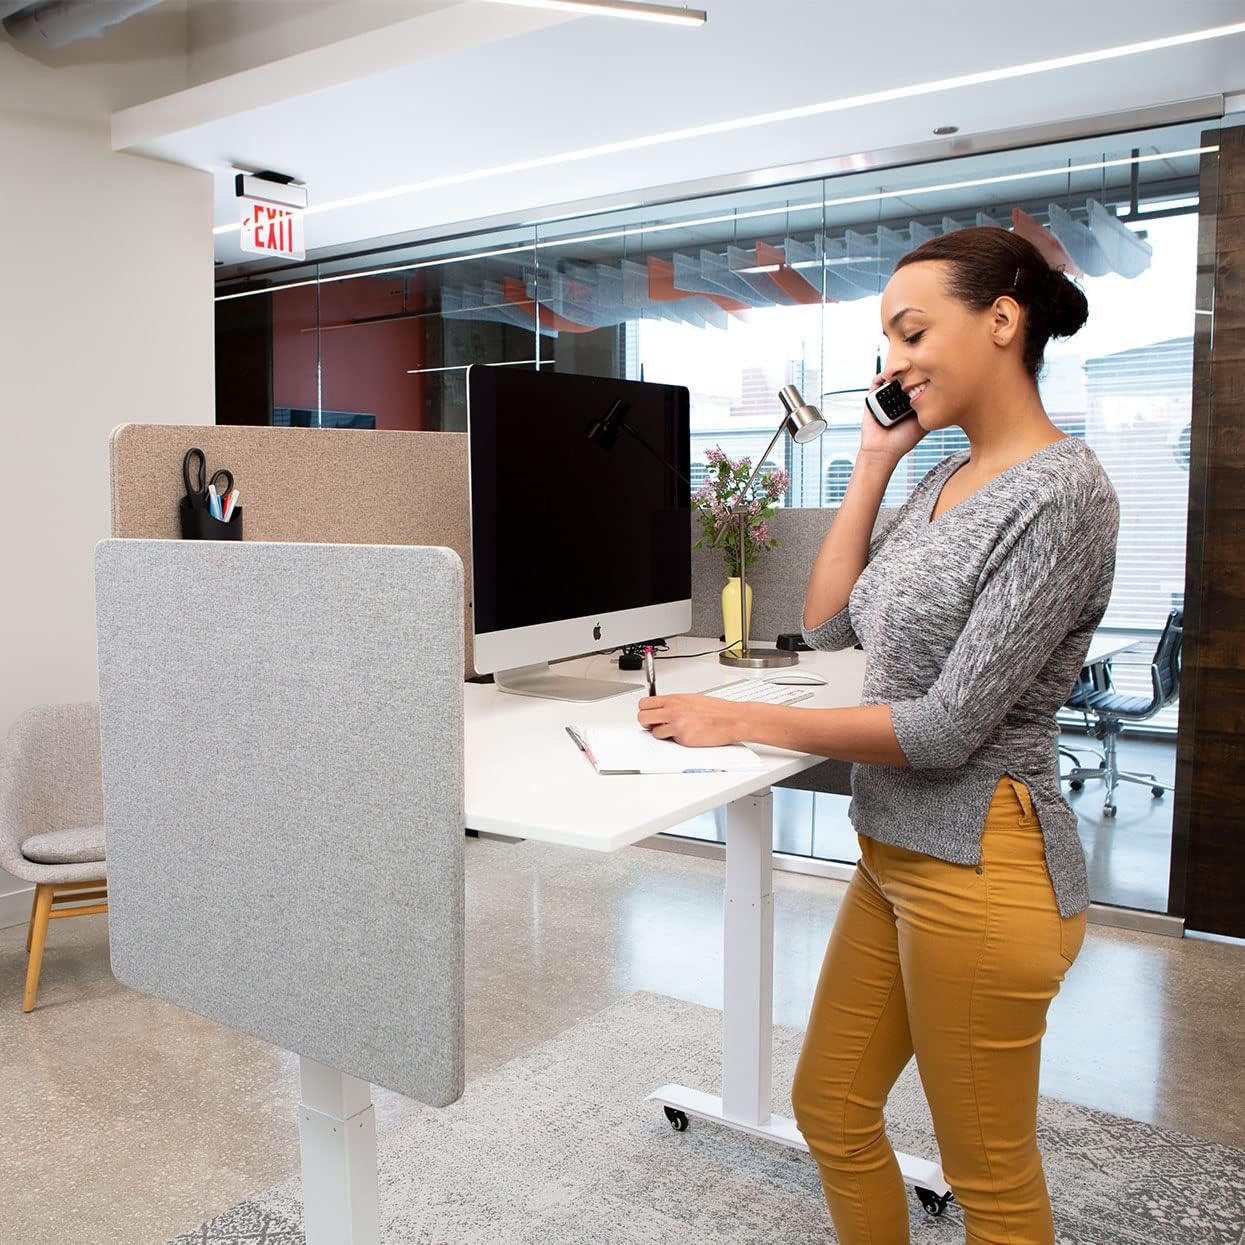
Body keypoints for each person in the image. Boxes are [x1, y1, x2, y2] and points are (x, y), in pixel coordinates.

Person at [637, 226, 1120, 1244]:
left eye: (911, 331)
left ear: (1002, 320)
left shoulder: (1064, 493)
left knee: (989, 1182)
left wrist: (740, 717)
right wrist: (869, 462)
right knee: (831, 1107)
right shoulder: (934, 477)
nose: (892, 363)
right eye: (885, 342)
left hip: (983, 865)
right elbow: (826, 623)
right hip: (895, 854)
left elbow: (947, 727)